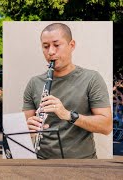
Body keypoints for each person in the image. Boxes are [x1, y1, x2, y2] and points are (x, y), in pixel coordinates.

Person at [23, 23, 112, 159]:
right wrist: (27, 128)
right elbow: (24, 126)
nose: (51, 52)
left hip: (83, 164)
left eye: (56, 45)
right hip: (42, 162)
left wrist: (68, 115)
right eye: (45, 46)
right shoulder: (34, 83)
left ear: (72, 45)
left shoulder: (91, 78)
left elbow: (106, 126)